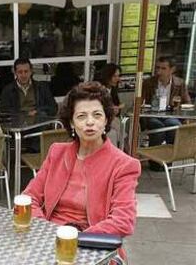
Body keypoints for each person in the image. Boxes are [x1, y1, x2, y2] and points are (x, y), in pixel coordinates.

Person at [23, 81, 141, 261]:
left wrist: (76, 239)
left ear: (106, 120)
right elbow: (28, 198)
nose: (90, 122)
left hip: (93, 245)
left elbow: (123, 220)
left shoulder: (124, 165)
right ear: (71, 122)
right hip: (50, 240)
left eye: (97, 115)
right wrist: (47, 231)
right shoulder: (57, 152)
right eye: (81, 116)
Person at [142, 56, 191, 170]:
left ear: (172, 69)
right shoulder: (149, 82)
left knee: (173, 125)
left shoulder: (179, 83)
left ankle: (169, 159)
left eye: (163, 68)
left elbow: (187, 102)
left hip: (171, 115)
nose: (159, 71)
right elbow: (141, 101)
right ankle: (154, 162)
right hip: (152, 114)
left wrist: (180, 108)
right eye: (158, 68)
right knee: (157, 126)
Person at [99, 63, 125, 147]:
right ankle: (126, 148)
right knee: (118, 126)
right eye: (114, 76)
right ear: (107, 76)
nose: (117, 79)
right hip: (101, 120)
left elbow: (116, 105)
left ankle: (125, 148)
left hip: (110, 119)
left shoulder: (113, 90)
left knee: (120, 125)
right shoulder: (99, 90)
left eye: (118, 76)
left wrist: (117, 109)